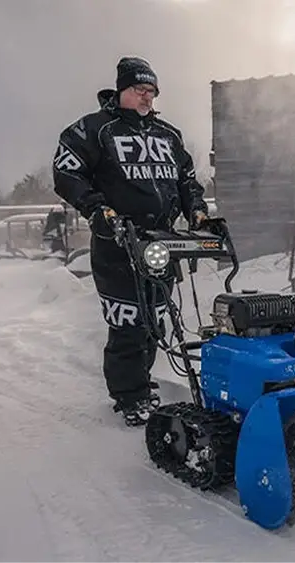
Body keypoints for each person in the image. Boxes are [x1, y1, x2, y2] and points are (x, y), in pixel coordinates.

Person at [52, 56, 209, 426]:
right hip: (118, 244)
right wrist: (97, 209)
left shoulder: (168, 135)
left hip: (162, 244)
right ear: (121, 89)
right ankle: (130, 397)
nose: (146, 96)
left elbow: (186, 180)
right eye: (139, 89)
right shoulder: (95, 129)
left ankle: (143, 382)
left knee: (155, 321)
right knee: (128, 324)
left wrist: (198, 210)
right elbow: (66, 172)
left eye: (151, 91)